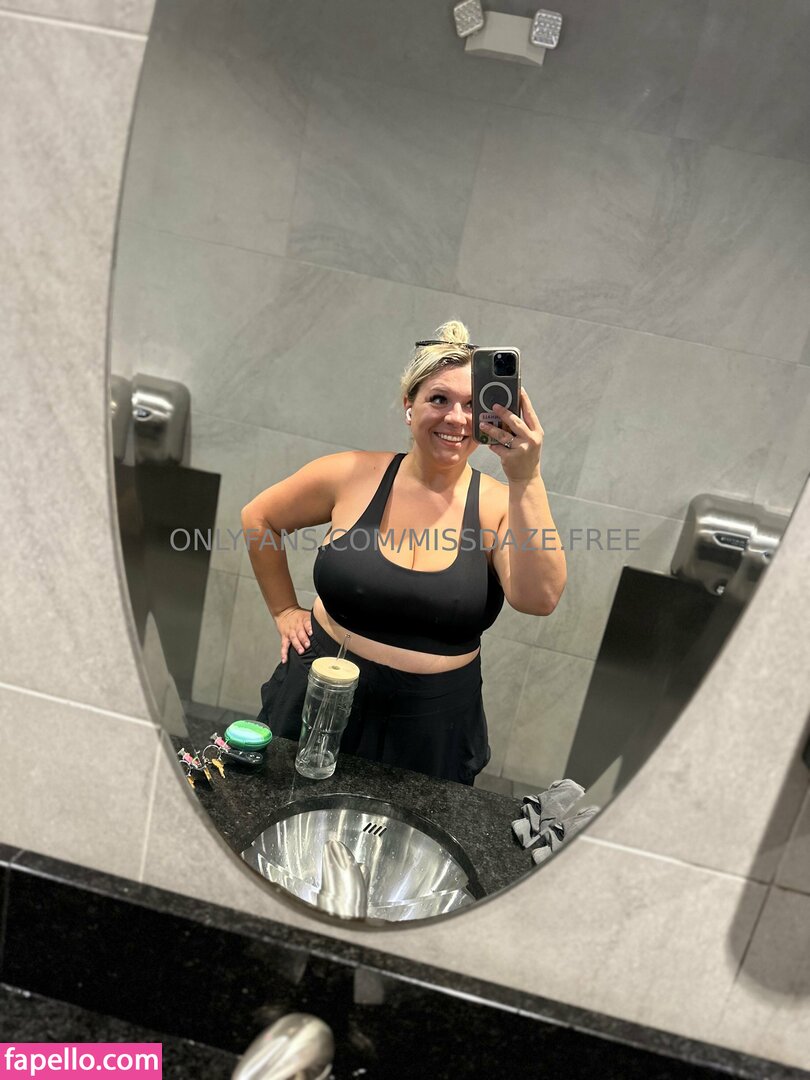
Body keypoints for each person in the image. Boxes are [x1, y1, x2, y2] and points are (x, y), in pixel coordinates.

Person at [241, 321, 567, 785]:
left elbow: (540, 599)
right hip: (320, 697)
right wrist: (283, 610)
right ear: (409, 406)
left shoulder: (500, 505)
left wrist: (526, 477)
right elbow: (259, 518)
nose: (456, 418)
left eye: (472, 405)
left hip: (434, 725)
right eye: (439, 399)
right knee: (281, 816)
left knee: (410, 832)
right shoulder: (350, 474)